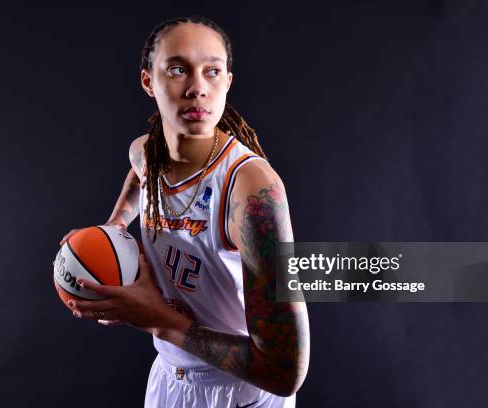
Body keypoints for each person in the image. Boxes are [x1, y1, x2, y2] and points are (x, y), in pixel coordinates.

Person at [60, 16, 310, 407]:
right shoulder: (146, 153)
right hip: (168, 378)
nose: (197, 89)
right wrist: (114, 226)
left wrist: (157, 319)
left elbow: (284, 371)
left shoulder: (251, 191)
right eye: (178, 70)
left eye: (212, 71)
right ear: (148, 81)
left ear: (227, 81)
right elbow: (139, 176)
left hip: (241, 393)